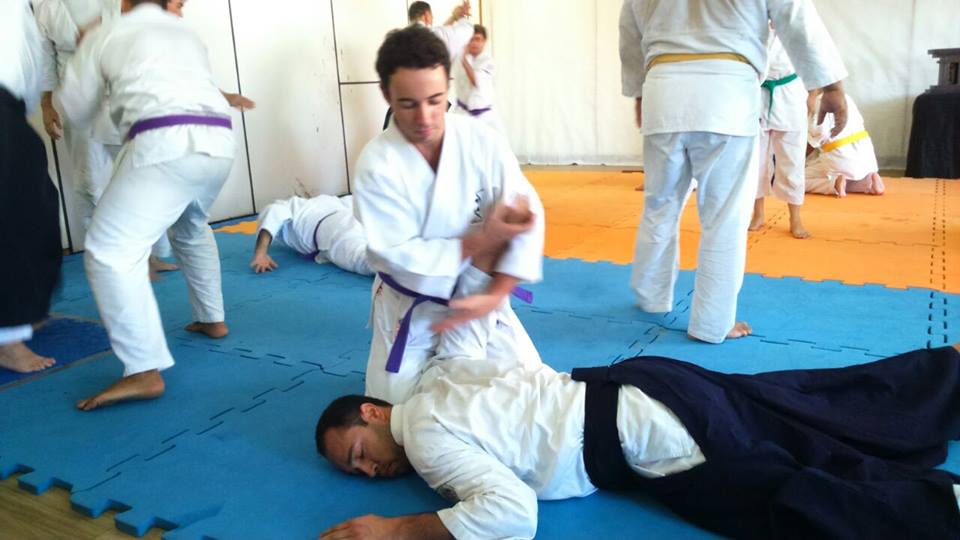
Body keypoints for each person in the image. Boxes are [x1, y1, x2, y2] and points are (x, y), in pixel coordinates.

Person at [316, 344, 960, 540]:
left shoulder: (423, 438)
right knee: (793, 405)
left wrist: (395, 532)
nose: (369, 471)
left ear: (374, 411)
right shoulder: (439, 378)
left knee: (784, 497)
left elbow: (513, 514)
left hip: (646, 434)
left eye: (359, 453)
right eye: (356, 473)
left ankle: (943, 507)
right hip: (648, 378)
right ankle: (944, 375)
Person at [619, 0, 849, 344]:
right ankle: (713, 324)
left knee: (660, 203)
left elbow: (629, 29)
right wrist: (831, 86)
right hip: (726, 91)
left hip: (662, 87)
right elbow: (795, 15)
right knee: (724, 216)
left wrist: (639, 92)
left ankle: (651, 295)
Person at [56, 0, 236, 410]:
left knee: (109, 250)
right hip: (220, 144)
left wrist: (85, 48)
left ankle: (142, 369)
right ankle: (212, 318)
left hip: (165, 144)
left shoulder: (106, 31)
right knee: (191, 225)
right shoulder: (185, 33)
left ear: (123, 2)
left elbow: (75, 109)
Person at [353, 26, 546, 404]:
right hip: (411, 304)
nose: (425, 117)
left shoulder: (481, 140)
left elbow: (526, 211)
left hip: (481, 289)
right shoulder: (377, 165)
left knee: (531, 391)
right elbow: (400, 255)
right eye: (408, 104)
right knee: (397, 413)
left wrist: (495, 293)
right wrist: (484, 239)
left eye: (436, 100)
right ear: (386, 94)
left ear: (448, 86)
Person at [0, 0, 62, 374]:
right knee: (13, 214)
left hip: (11, 105)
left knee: (36, 207)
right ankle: (9, 338)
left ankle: (23, 313)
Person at [749, 30, 811, 239]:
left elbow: (815, 62)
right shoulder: (752, 25)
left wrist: (814, 94)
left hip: (791, 94)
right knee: (754, 160)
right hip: (757, 93)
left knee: (792, 159)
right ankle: (758, 213)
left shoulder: (796, 27)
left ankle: (795, 218)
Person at [251, 194, 372, 276]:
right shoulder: (323, 200)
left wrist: (260, 253)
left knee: (365, 261)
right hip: (358, 220)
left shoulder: (286, 207)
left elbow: (274, 214)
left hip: (331, 231)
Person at [805, 90, 884, 197]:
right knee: (815, 164)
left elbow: (818, 135)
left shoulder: (819, 102)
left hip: (841, 159)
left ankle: (833, 185)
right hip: (867, 159)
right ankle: (868, 182)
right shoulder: (844, 96)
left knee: (794, 181)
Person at [451, 24, 505, 135]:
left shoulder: (489, 61)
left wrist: (463, 59)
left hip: (484, 116)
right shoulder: (459, 58)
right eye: (471, 40)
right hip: (462, 113)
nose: (474, 43)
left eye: (478, 39)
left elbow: (475, 81)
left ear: (484, 41)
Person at [407, 1, 474, 59]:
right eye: (431, 15)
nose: (432, 18)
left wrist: (453, 17)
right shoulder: (435, 36)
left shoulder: (402, 38)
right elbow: (467, 31)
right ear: (426, 15)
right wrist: (460, 16)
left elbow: (440, 31)